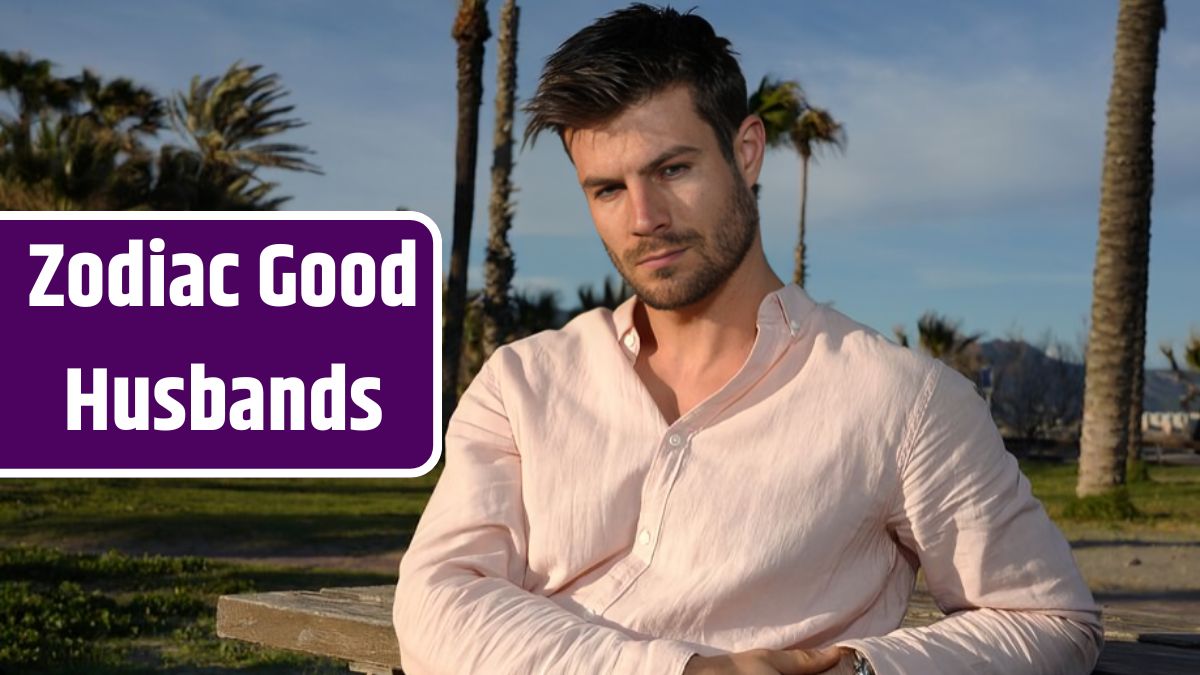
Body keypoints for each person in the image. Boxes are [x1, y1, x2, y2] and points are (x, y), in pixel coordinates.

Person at [394, 5, 1102, 674]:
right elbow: (435, 598)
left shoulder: (903, 401)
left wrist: (861, 668)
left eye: (673, 169)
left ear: (747, 150)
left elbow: (1050, 620)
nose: (644, 218)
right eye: (607, 189)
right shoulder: (523, 382)